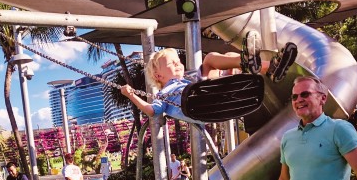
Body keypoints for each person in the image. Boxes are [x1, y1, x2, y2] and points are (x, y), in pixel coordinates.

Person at [119, 31, 297, 124]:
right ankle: (258, 65)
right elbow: (152, 111)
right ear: (159, 75)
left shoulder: (185, 81)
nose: (178, 64)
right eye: (172, 64)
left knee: (224, 56)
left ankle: (269, 67)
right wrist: (131, 95)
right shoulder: (163, 94)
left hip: (210, 97)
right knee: (210, 59)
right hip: (199, 102)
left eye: (178, 61)